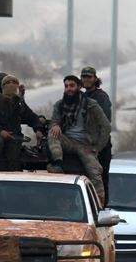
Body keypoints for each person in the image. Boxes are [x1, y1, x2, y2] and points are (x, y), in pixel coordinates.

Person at [47, 75, 111, 205]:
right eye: (66, 86)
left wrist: (97, 147)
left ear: (79, 87)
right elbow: (54, 121)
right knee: (52, 133)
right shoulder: (60, 105)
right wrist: (55, 125)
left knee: (95, 174)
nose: (68, 89)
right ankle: (58, 163)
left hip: (85, 145)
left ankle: (100, 206)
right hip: (68, 141)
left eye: (72, 86)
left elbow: (106, 126)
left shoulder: (91, 105)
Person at [0, 75, 44, 171]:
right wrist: (0, 131)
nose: (11, 85)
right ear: (3, 87)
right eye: (8, 83)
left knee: (14, 154)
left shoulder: (18, 104)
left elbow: (31, 117)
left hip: (14, 138)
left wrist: (38, 129)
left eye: (14, 83)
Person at [80, 66, 113, 205]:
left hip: (100, 146)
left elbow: (104, 123)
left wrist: (98, 147)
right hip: (85, 144)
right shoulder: (82, 96)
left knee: (100, 178)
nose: (86, 79)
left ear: (95, 79)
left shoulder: (101, 97)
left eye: (89, 77)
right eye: (84, 77)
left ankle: (102, 207)